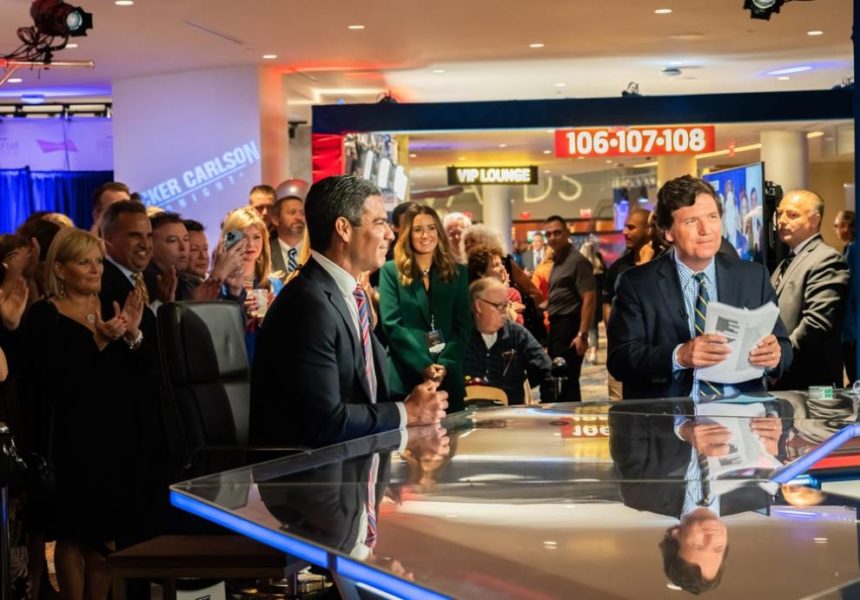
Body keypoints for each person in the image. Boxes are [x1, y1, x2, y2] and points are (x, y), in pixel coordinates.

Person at [250, 175, 448, 448]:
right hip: (310, 472)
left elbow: (365, 397)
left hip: (356, 462)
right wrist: (408, 412)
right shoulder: (307, 304)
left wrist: (416, 402)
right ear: (343, 229)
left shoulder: (355, 296)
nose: (390, 234)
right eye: (379, 222)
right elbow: (325, 422)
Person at [22, 227, 145, 600]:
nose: (96, 270)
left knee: (107, 534)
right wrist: (98, 340)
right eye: (84, 262)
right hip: (71, 440)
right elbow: (49, 379)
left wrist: (132, 337)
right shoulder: (44, 315)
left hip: (115, 435)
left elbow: (136, 374)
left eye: (98, 262)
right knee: (75, 534)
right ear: (60, 270)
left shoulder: (111, 306)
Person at [607, 175, 791, 400]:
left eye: (712, 217)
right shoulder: (636, 283)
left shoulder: (753, 276)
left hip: (743, 413)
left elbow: (783, 346)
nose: (706, 229)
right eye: (691, 221)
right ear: (668, 232)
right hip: (670, 416)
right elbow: (619, 359)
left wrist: (774, 356)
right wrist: (679, 356)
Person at [378, 204, 471, 413]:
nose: (425, 235)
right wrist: (423, 365)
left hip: (448, 377)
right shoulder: (390, 271)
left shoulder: (458, 273)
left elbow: (463, 325)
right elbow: (392, 324)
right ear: (407, 234)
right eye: (418, 229)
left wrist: (445, 363)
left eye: (431, 228)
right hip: (406, 377)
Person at [771, 190, 849, 390]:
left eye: (792, 215)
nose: (782, 221)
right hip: (785, 382)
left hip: (811, 385)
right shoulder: (785, 262)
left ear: (815, 220)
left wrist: (779, 358)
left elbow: (816, 324)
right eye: (780, 214)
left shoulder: (826, 259)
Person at [463, 278, 552, 405]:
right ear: (479, 306)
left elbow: (546, 369)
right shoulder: (461, 337)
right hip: (468, 413)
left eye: (507, 305)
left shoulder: (516, 334)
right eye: (499, 306)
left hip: (509, 413)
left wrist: (546, 403)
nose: (505, 311)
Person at [218, 207, 284, 363]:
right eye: (243, 237)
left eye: (256, 237)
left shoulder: (275, 285)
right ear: (230, 239)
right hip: (231, 364)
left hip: (269, 363)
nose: (250, 244)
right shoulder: (218, 287)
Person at [544, 215, 595, 402]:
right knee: (559, 381)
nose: (552, 237)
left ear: (567, 233)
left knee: (568, 381)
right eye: (549, 234)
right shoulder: (558, 260)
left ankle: (569, 419)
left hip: (570, 327)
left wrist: (582, 334)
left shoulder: (577, 261)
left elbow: (589, 298)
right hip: (558, 327)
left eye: (557, 233)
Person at [603, 208, 652, 399]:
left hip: (652, 356)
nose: (625, 232)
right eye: (625, 227)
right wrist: (615, 329)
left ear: (648, 229)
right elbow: (606, 302)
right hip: (622, 354)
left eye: (631, 227)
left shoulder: (661, 264)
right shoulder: (618, 267)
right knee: (619, 408)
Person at [143, 212, 194, 306]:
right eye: (173, 241)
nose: (183, 247)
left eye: (186, 239)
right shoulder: (143, 284)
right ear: (151, 247)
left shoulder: (188, 281)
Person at [467, 243, 524, 324]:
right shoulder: (472, 295)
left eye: (501, 263)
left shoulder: (512, 293)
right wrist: (508, 307)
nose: (502, 268)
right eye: (496, 265)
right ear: (481, 272)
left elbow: (518, 323)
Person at [835, 210, 857, 382]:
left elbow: (850, 292)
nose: (836, 230)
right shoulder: (851, 250)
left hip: (851, 330)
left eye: (837, 226)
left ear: (846, 227)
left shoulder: (853, 251)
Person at [269, 192, 308, 280]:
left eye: (302, 213)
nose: (299, 217)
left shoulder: (316, 251)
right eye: (292, 213)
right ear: (275, 219)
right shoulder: (265, 251)